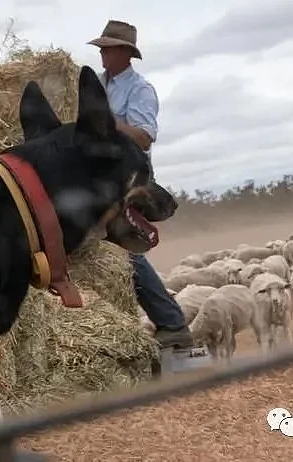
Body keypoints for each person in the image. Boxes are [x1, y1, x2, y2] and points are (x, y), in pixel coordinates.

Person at [87, 19, 194, 349]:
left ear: (124, 52)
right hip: (97, 177)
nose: (102, 55)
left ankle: (172, 323)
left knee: (124, 247)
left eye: (107, 49)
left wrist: (109, 123)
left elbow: (145, 137)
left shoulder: (140, 89)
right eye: (101, 49)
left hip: (128, 178)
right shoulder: (97, 84)